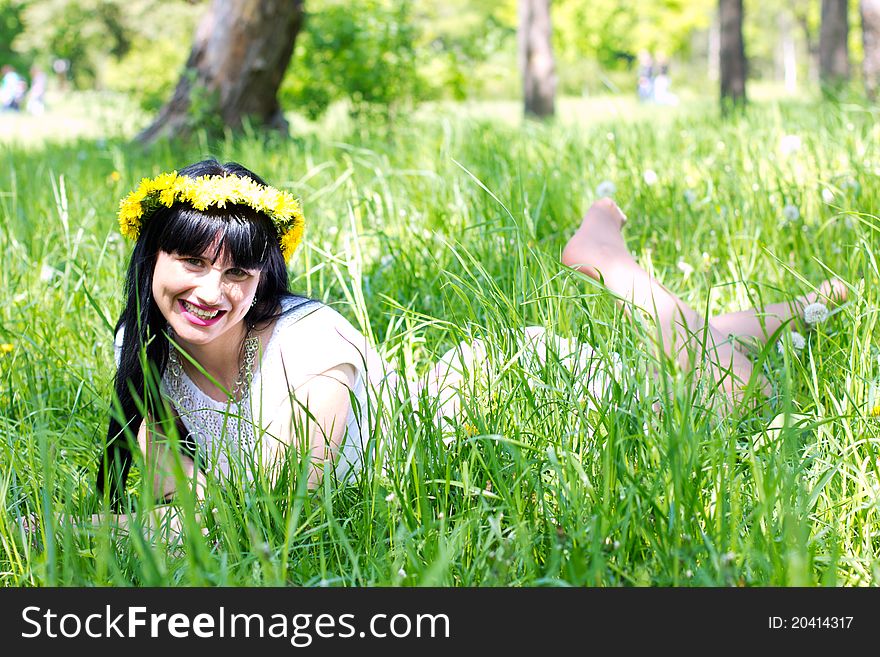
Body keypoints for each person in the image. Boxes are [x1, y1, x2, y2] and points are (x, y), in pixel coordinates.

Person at [88, 159, 845, 538]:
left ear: (266, 277)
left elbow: (276, 504)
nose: (210, 291)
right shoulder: (143, 342)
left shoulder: (309, 344)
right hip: (452, 391)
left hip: (498, 399)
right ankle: (789, 312)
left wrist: (89, 533)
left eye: (238, 270)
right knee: (707, 351)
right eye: (190, 261)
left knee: (748, 401)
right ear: (150, 253)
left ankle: (613, 265)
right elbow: (175, 495)